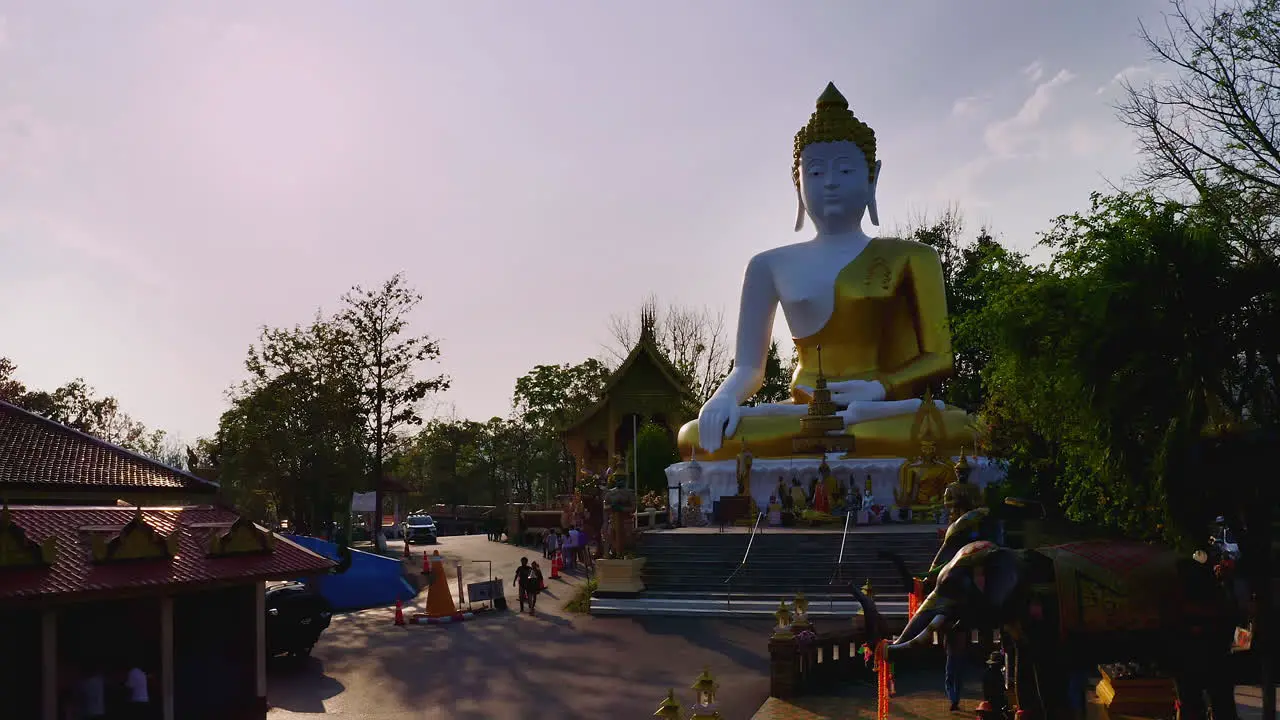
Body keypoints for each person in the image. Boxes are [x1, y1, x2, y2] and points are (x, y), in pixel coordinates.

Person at [944, 627, 967, 712]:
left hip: (951, 655)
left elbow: (945, 644)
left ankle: (953, 700)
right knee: (958, 680)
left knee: (949, 680)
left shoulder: (949, 630)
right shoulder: (962, 631)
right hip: (960, 656)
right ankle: (956, 700)